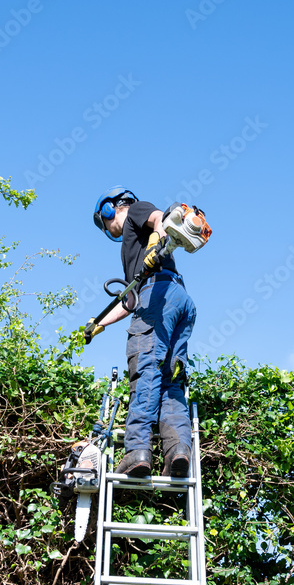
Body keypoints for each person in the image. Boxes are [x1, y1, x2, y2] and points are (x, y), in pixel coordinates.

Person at [85, 186, 197, 478]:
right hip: (178, 299)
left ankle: (137, 452)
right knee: (171, 382)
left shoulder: (133, 211)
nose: (109, 228)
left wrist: (154, 243)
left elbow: (160, 218)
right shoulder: (134, 255)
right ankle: (178, 453)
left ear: (109, 210)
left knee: (145, 371)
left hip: (157, 297)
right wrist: (99, 323)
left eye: (104, 222)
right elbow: (130, 300)